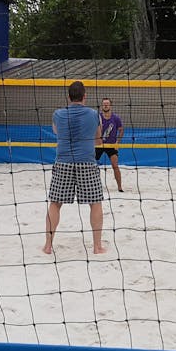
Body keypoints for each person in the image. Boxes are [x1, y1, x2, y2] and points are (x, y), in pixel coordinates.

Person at [43, 80, 106, 255]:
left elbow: (56, 132)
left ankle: (48, 246)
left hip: (63, 162)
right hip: (86, 162)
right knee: (95, 203)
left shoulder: (58, 114)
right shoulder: (94, 114)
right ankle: (97, 247)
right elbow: (98, 138)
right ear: (84, 96)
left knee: (55, 204)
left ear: (69, 97)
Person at [94, 97, 125, 192]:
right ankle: (92, 185)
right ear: (102, 105)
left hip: (111, 145)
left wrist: (117, 142)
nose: (106, 105)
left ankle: (119, 187)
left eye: (107, 103)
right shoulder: (97, 117)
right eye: (104, 104)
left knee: (115, 166)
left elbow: (121, 130)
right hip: (99, 144)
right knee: (90, 165)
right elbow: (92, 129)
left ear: (111, 105)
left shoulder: (115, 118)